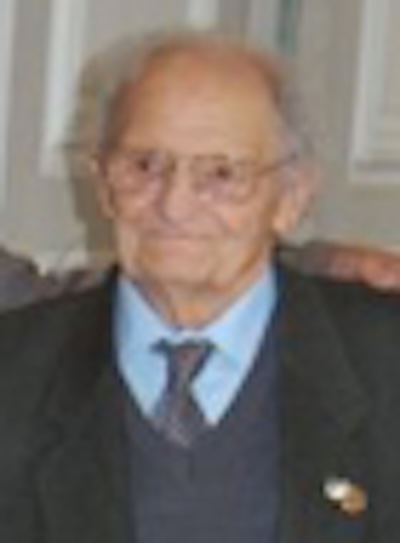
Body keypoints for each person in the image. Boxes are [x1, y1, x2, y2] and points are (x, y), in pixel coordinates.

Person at [1, 31, 400, 543]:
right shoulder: (16, 372)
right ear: (102, 183)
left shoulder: (383, 363)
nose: (175, 205)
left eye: (221, 174)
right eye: (145, 166)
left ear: (293, 196)